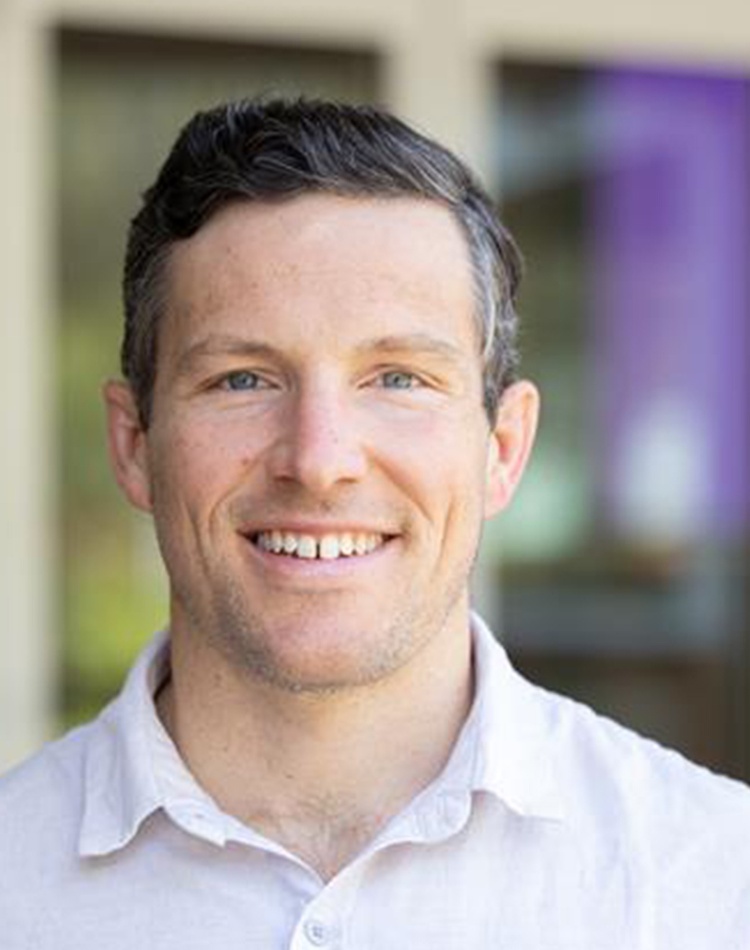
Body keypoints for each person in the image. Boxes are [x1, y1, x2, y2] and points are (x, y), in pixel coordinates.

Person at [1, 97, 749, 949]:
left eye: (397, 379)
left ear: (503, 446)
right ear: (134, 444)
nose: (319, 460)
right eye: (243, 380)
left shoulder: (716, 881)